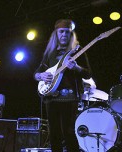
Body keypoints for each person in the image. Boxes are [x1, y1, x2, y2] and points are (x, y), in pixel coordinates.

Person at [34, 19, 92, 152]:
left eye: (67, 32)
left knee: (69, 133)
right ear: (56, 33)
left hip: (69, 97)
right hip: (51, 98)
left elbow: (88, 73)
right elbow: (37, 71)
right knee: (54, 134)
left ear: (71, 34)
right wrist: (40, 76)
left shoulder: (78, 51)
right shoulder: (50, 53)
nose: (64, 35)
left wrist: (76, 68)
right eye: (61, 32)